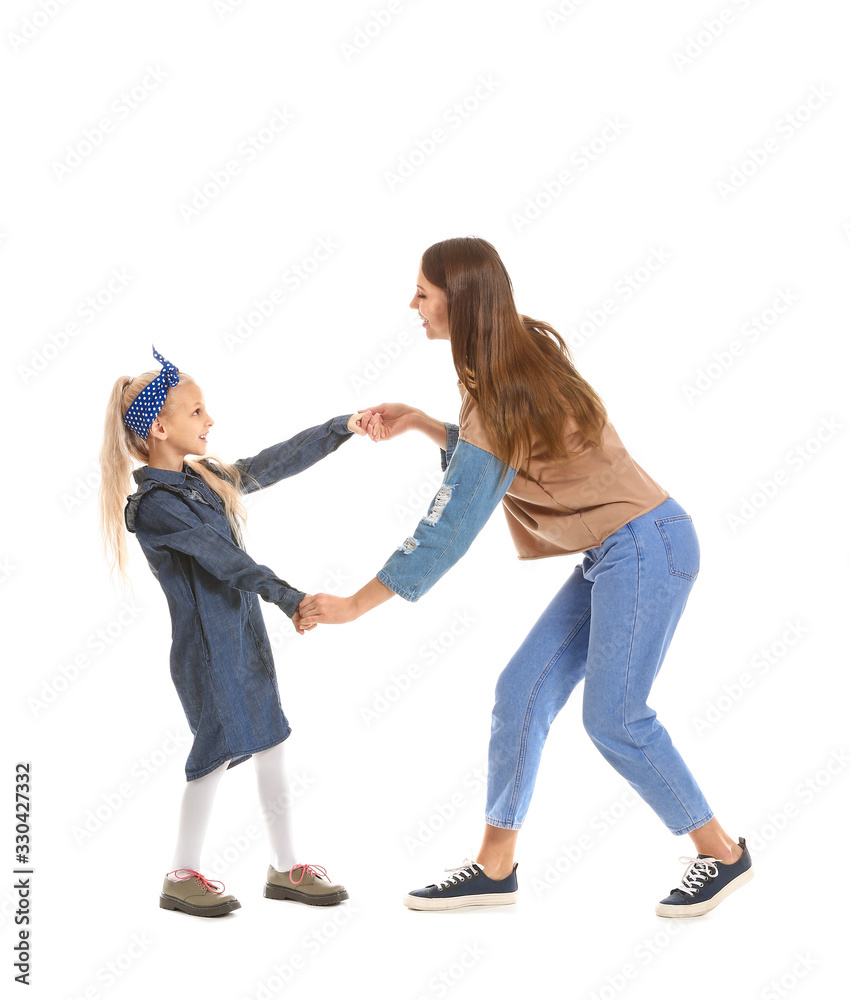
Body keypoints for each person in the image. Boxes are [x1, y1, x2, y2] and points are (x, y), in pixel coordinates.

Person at [297, 237, 754, 917]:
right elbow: (505, 460)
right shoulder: (509, 361)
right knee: (521, 692)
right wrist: (425, 424)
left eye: (423, 293)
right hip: (619, 551)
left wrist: (356, 605)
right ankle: (494, 865)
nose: (412, 304)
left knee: (615, 720)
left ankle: (721, 852)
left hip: (646, 545)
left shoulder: (498, 385)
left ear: (462, 300)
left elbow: (451, 523)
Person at [98, 345, 383, 916]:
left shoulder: (202, 479)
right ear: (159, 426)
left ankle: (285, 867)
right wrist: (292, 598)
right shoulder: (156, 506)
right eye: (197, 411)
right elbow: (227, 563)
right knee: (216, 754)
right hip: (208, 651)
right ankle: (181, 874)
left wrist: (341, 428)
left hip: (242, 637)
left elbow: (272, 463)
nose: (210, 421)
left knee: (271, 740)